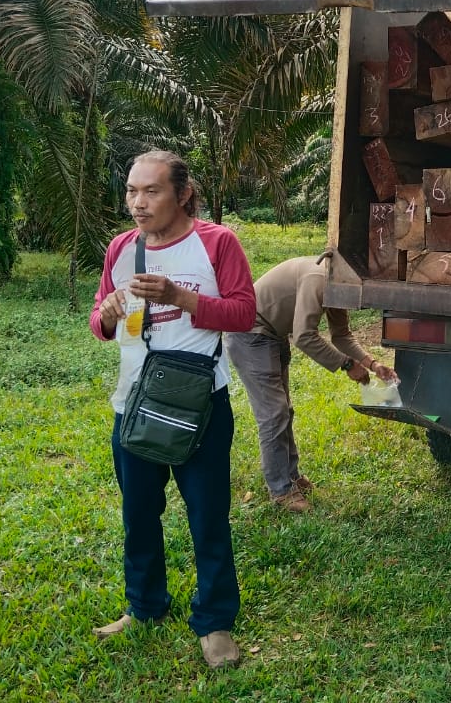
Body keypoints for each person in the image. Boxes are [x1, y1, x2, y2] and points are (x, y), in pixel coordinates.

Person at [89, 149, 256, 669]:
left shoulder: (216, 243)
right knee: (138, 513)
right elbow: (98, 322)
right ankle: (144, 606)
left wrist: (180, 298)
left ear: (183, 193)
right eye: (132, 192)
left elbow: (245, 313)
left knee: (208, 517)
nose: (138, 203)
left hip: (199, 405)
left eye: (151, 191)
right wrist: (110, 313)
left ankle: (215, 622)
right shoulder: (122, 247)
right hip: (133, 404)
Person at [225, 253, 397, 514]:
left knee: (285, 411)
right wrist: (348, 365)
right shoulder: (319, 278)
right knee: (274, 414)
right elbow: (304, 336)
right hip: (250, 334)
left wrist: (372, 364)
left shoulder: (340, 285)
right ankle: (281, 490)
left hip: (273, 334)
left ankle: (291, 476)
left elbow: (341, 335)